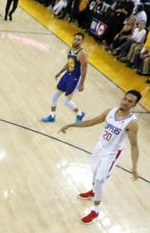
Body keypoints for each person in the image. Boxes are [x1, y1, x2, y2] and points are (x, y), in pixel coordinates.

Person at [58, 90, 141, 224]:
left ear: (134, 105)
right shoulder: (110, 111)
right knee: (94, 172)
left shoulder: (132, 123)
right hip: (99, 147)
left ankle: (95, 211)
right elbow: (92, 122)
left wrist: (135, 166)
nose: (125, 102)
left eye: (130, 101)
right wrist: (71, 125)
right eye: (125, 99)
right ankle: (93, 192)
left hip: (111, 154)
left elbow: (134, 145)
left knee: (99, 181)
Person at [41, 32, 88, 123]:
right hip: (67, 75)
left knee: (66, 101)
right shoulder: (70, 50)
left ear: (82, 42)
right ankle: (52, 116)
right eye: (75, 39)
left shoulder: (82, 54)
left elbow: (84, 69)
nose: (76, 41)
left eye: (78, 40)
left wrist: (82, 83)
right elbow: (69, 63)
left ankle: (80, 113)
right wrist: (60, 72)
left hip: (75, 78)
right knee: (54, 96)